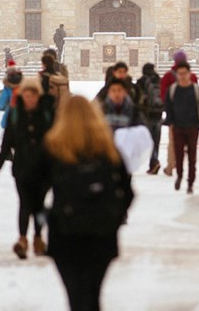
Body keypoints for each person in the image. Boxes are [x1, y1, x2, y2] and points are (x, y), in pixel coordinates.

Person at [44, 95, 134, 311]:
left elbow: (35, 187)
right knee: (93, 294)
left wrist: (46, 217)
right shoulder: (109, 150)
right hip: (101, 233)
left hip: (65, 233)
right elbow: (128, 191)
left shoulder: (54, 148)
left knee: (75, 296)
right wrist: (115, 216)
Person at [0, 76, 56, 259]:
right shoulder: (15, 114)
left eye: (33, 94)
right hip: (22, 168)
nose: (30, 98)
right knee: (25, 203)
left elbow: (56, 141)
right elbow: (6, 143)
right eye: (26, 94)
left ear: (38, 95)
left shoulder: (47, 113)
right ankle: (23, 239)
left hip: (44, 168)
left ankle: (38, 238)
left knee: (39, 204)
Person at [165, 61, 199, 193]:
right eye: (179, 74)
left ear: (189, 74)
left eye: (184, 73)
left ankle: (190, 182)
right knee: (179, 154)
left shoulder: (196, 90)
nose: (182, 76)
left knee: (192, 157)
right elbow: (169, 107)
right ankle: (180, 176)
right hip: (178, 127)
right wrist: (170, 122)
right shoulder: (173, 90)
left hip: (193, 127)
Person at [135, 63, 164, 174]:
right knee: (156, 141)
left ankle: (153, 161)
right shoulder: (159, 80)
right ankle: (154, 161)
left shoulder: (140, 82)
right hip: (158, 114)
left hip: (145, 115)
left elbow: (137, 99)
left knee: (147, 140)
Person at [0, 60, 23, 129]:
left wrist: (1, 106)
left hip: (11, 109)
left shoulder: (7, 86)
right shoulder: (23, 83)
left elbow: (4, 98)